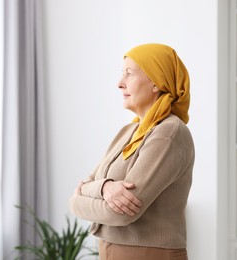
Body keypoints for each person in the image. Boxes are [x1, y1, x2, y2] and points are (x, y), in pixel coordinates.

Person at [69, 43, 194, 260]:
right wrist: (105, 187)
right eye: (122, 73)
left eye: (129, 74)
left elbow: (119, 214)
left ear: (156, 82)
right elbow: (81, 192)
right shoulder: (128, 131)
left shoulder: (168, 133)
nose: (120, 83)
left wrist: (81, 198)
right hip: (110, 250)